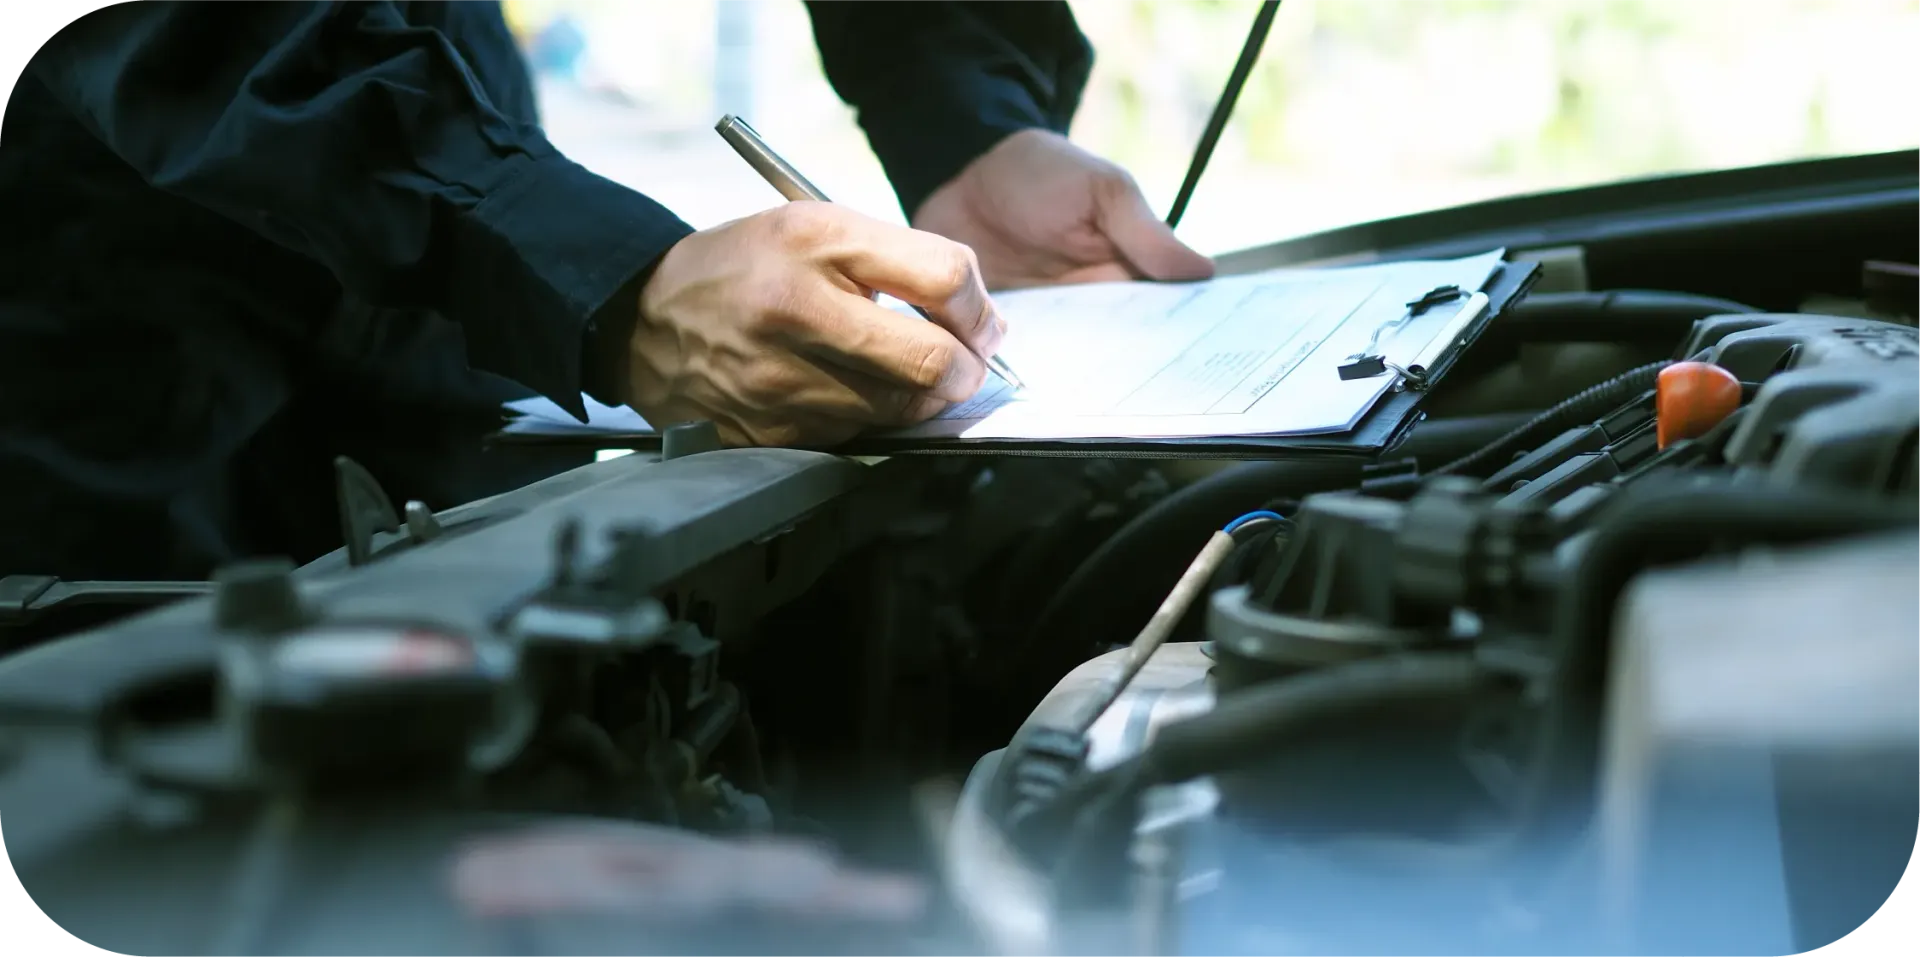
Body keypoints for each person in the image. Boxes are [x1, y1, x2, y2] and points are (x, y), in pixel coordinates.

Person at [0, 0, 1213, 586]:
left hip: (419, 97)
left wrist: (962, 118)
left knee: (491, 639)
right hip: (100, 177)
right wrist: (604, 281)